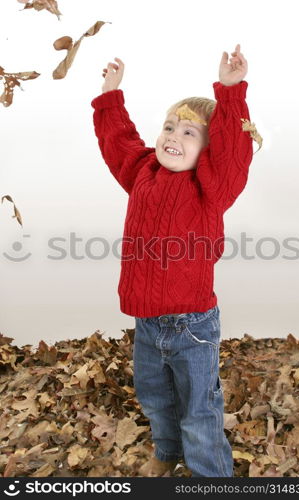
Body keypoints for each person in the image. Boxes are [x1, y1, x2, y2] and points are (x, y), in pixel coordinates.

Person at [91, 44, 254, 477]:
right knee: (155, 397)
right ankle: (166, 450)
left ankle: (209, 476)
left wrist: (231, 91)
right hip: (147, 321)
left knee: (198, 408)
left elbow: (234, 156)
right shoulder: (142, 170)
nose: (172, 137)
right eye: (169, 126)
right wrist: (110, 98)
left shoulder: (211, 188)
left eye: (189, 132)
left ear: (208, 149)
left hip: (193, 325)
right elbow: (119, 144)